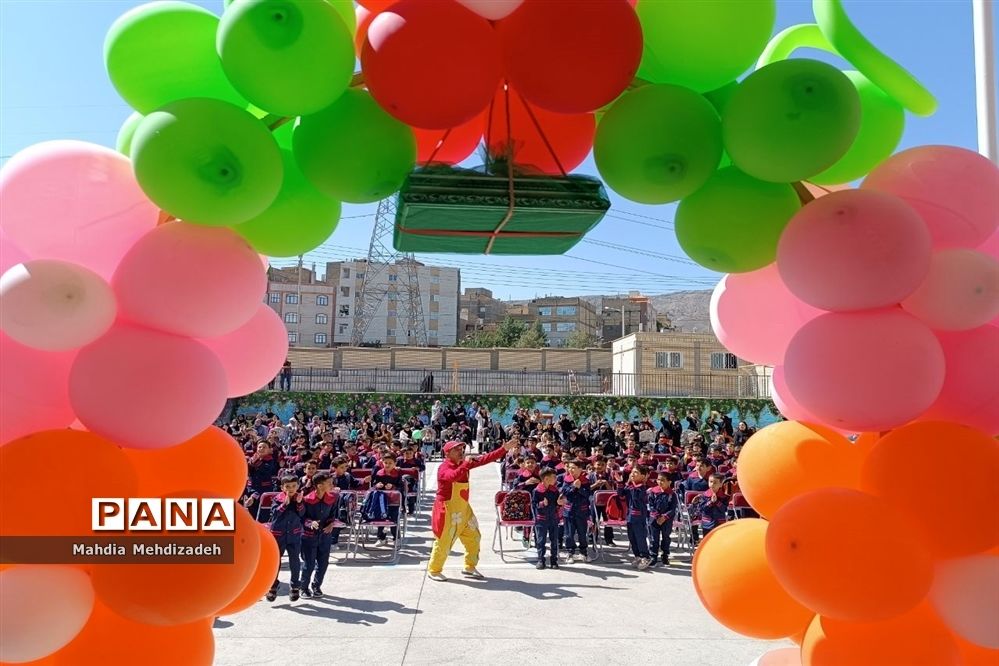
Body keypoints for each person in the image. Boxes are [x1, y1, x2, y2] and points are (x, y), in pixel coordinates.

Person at [427, 438, 517, 582]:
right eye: (456, 450)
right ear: (447, 453)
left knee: (474, 537)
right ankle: (434, 569)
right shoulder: (444, 467)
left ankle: (469, 566)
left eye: (461, 449)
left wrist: (503, 449)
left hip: (463, 509)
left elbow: (485, 459)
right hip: (447, 510)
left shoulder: (464, 464)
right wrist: (466, 464)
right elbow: (452, 477)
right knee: (443, 541)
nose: (460, 452)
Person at [266, 475, 305, 602]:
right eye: (287, 486)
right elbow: (274, 514)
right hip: (279, 534)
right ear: (282, 488)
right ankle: (272, 585)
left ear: (298, 486)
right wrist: (284, 504)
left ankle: (294, 586)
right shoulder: (277, 499)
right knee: (275, 561)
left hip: (294, 534)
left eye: (294, 486)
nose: (291, 489)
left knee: (295, 561)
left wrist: (299, 503)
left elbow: (302, 514)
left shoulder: (299, 498)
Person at [300, 473, 337, 598]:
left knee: (323, 563)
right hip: (309, 536)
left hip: (325, 535)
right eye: (329, 483)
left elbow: (333, 515)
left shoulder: (332, 498)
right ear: (320, 486)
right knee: (308, 564)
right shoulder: (307, 500)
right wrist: (311, 522)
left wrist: (331, 524)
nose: (332, 485)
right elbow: (301, 518)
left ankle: (317, 586)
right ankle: (303, 587)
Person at [618, 466, 652, 570]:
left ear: (643, 476)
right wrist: (621, 483)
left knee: (640, 537)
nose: (632, 474)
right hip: (630, 516)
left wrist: (630, 485)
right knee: (632, 537)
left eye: (636, 472)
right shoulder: (631, 486)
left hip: (638, 516)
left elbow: (636, 498)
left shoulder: (641, 487)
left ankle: (645, 556)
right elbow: (621, 494)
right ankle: (637, 555)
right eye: (632, 472)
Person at [532, 469, 566, 570]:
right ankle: (541, 560)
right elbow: (534, 505)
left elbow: (557, 503)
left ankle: (554, 561)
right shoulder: (537, 491)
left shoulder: (554, 490)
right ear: (546, 479)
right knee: (541, 540)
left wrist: (559, 503)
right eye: (554, 477)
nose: (556, 479)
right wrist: (542, 504)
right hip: (541, 519)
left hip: (553, 518)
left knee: (554, 540)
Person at [559, 461, 592, 563]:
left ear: (580, 469)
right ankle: (570, 552)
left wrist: (580, 488)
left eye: (573, 468)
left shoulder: (586, 480)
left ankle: (583, 552)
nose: (571, 470)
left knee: (582, 533)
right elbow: (565, 493)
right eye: (569, 468)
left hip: (582, 511)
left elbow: (588, 494)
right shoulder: (567, 480)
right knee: (569, 534)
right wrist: (573, 487)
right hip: (569, 511)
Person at [648, 473, 678, 567]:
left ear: (669, 482)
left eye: (663, 480)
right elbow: (650, 505)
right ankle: (653, 556)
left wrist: (664, 517)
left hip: (666, 521)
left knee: (666, 538)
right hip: (654, 519)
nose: (659, 482)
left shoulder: (672, 494)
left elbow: (673, 509)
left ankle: (665, 556)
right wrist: (657, 516)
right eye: (658, 480)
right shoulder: (653, 492)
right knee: (654, 539)